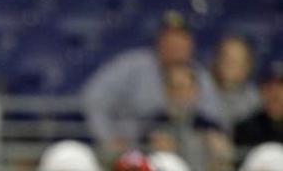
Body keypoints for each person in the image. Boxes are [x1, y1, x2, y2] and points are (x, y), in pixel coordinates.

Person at [82, 11, 224, 154]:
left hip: (187, 155)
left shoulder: (200, 75)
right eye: (169, 39)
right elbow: (93, 98)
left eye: (180, 39)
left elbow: (215, 118)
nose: (175, 45)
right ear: (159, 41)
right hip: (130, 150)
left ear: (190, 43)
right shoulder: (133, 65)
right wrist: (108, 139)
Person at [211, 35, 259, 129]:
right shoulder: (198, 90)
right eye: (225, 56)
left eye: (235, 60)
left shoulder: (255, 101)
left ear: (247, 66)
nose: (229, 64)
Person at [234, 61, 283, 148]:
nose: (275, 93)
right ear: (260, 90)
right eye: (269, 86)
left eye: (281, 86)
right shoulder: (246, 129)